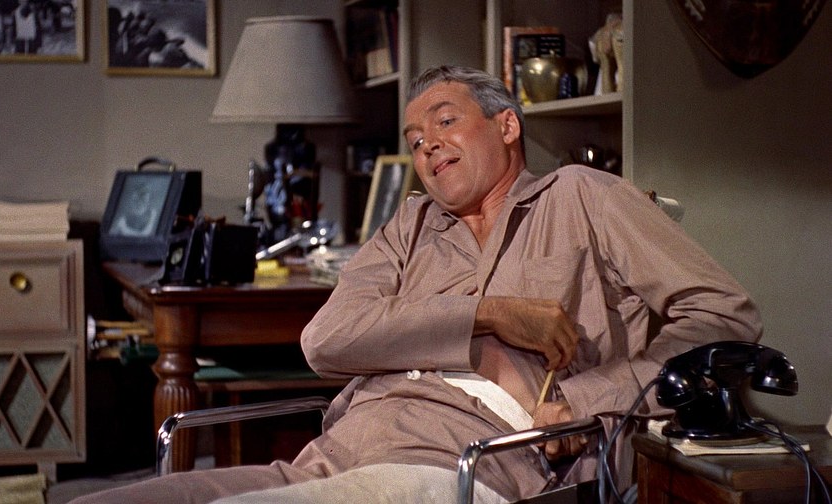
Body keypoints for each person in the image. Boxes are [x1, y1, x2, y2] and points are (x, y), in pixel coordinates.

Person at [70, 65, 761, 504]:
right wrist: (487, 314)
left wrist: (587, 401)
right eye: (414, 137)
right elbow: (325, 341)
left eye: (445, 121)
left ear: (507, 125)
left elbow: (722, 317)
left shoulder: (581, 195)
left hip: (468, 458)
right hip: (337, 451)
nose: (426, 144)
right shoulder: (410, 224)